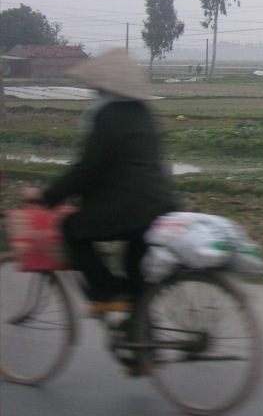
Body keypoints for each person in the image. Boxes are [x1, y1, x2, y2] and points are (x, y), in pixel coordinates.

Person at [21, 48, 178, 315]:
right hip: (161, 205)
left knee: (71, 228)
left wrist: (48, 197)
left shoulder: (108, 116)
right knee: (135, 270)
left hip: (130, 209)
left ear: (103, 88)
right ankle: (140, 342)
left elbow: (87, 169)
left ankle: (106, 292)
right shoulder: (143, 112)